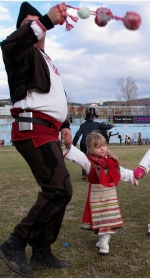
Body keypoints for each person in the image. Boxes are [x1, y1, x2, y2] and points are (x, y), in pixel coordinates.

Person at [0, 2, 73, 278]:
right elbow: (7, 45)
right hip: (33, 130)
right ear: (24, 29)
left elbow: (56, 98)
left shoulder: (48, 60)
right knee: (59, 190)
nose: (37, 25)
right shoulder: (20, 52)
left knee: (62, 191)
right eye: (30, 23)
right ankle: (14, 243)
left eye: (39, 22)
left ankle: (42, 249)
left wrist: (65, 125)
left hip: (49, 130)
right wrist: (43, 20)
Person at [63, 132, 137, 255]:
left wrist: (133, 176)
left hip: (110, 194)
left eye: (103, 145)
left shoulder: (112, 161)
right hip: (96, 194)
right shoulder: (88, 162)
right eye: (98, 147)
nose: (102, 148)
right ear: (91, 149)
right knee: (100, 216)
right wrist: (70, 146)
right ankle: (103, 240)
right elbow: (79, 157)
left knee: (108, 217)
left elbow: (121, 172)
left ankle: (104, 242)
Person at [73, 107, 113, 179]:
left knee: (84, 158)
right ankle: (96, 174)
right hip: (94, 143)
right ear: (93, 117)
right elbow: (107, 127)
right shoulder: (97, 124)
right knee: (96, 158)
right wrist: (111, 125)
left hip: (84, 143)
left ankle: (84, 174)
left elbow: (77, 135)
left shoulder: (83, 125)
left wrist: (73, 144)